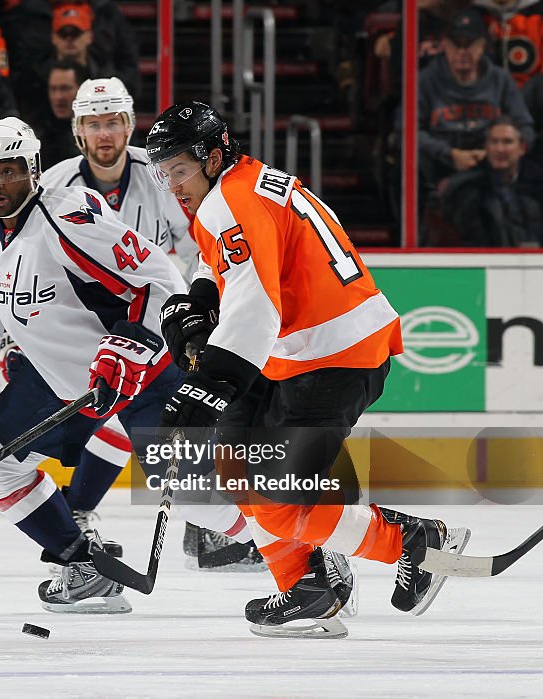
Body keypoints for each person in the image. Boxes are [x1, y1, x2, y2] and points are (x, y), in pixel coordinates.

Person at [146, 100, 471, 638]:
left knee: (277, 495)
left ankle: (416, 541)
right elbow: (229, 261)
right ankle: (308, 588)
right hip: (306, 353)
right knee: (232, 462)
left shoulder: (227, 203)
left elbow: (255, 306)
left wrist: (210, 385)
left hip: (332, 357)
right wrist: (199, 298)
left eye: (179, 169)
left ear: (212, 156)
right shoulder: (248, 183)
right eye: (164, 173)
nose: (173, 184)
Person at [0, 116, 190, 614]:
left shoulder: (70, 217)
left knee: (204, 492)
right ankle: (84, 568)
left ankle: (311, 559)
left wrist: (131, 344)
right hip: (59, 380)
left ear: (32, 170)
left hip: (139, 373)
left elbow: (161, 281)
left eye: (6, 171)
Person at [34, 77, 256, 570]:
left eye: (113, 122)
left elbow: (202, 236)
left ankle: (206, 526)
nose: (105, 134)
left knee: (177, 419)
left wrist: (207, 298)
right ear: (78, 132)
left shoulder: (160, 173)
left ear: (129, 124)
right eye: (93, 124)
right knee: (130, 419)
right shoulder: (51, 187)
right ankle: (80, 511)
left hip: (157, 319)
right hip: (88, 325)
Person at [417, 8, 535, 194]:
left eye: (469, 44)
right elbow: (406, 132)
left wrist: (498, 152)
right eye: (456, 44)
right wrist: (449, 154)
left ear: (482, 46)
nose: (462, 52)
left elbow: (525, 127)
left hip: (492, 163)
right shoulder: (425, 80)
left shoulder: (500, 79)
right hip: (440, 162)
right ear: (445, 45)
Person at [442, 115, 543, 247]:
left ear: (521, 148)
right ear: (486, 147)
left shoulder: (539, 185)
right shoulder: (469, 189)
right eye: (494, 142)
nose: (499, 149)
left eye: (507, 142)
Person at [32, 59, 88, 169]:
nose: (58, 97)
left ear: (81, 89)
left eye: (65, 88)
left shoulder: (96, 132)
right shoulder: (37, 135)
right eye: (53, 89)